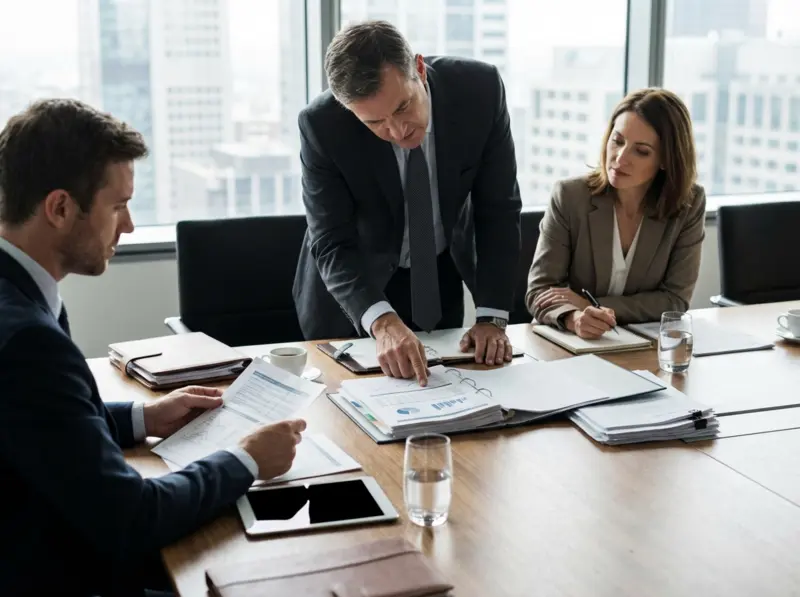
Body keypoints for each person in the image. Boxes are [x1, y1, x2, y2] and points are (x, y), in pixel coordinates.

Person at [0, 99, 307, 597]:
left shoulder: (18, 295)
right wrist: (246, 459)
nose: (130, 226)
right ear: (59, 208)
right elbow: (131, 517)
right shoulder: (28, 343)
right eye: (118, 205)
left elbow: (42, 429)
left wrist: (145, 417)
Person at [293, 20, 522, 385]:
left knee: (443, 405)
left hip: (435, 280)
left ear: (418, 69)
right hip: (354, 298)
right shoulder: (322, 125)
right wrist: (382, 323)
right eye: (375, 123)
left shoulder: (479, 90)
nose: (398, 132)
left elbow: (498, 209)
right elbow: (331, 241)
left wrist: (491, 316)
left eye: (403, 107)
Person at [526, 88, 705, 339]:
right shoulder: (570, 196)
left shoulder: (689, 204)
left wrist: (590, 304)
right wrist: (574, 318)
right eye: (617, 140)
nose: (620, 159)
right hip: (571, 342)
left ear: (666, 159)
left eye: (641, 151)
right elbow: (540, 290)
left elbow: (675, 300)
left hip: (640, 345)